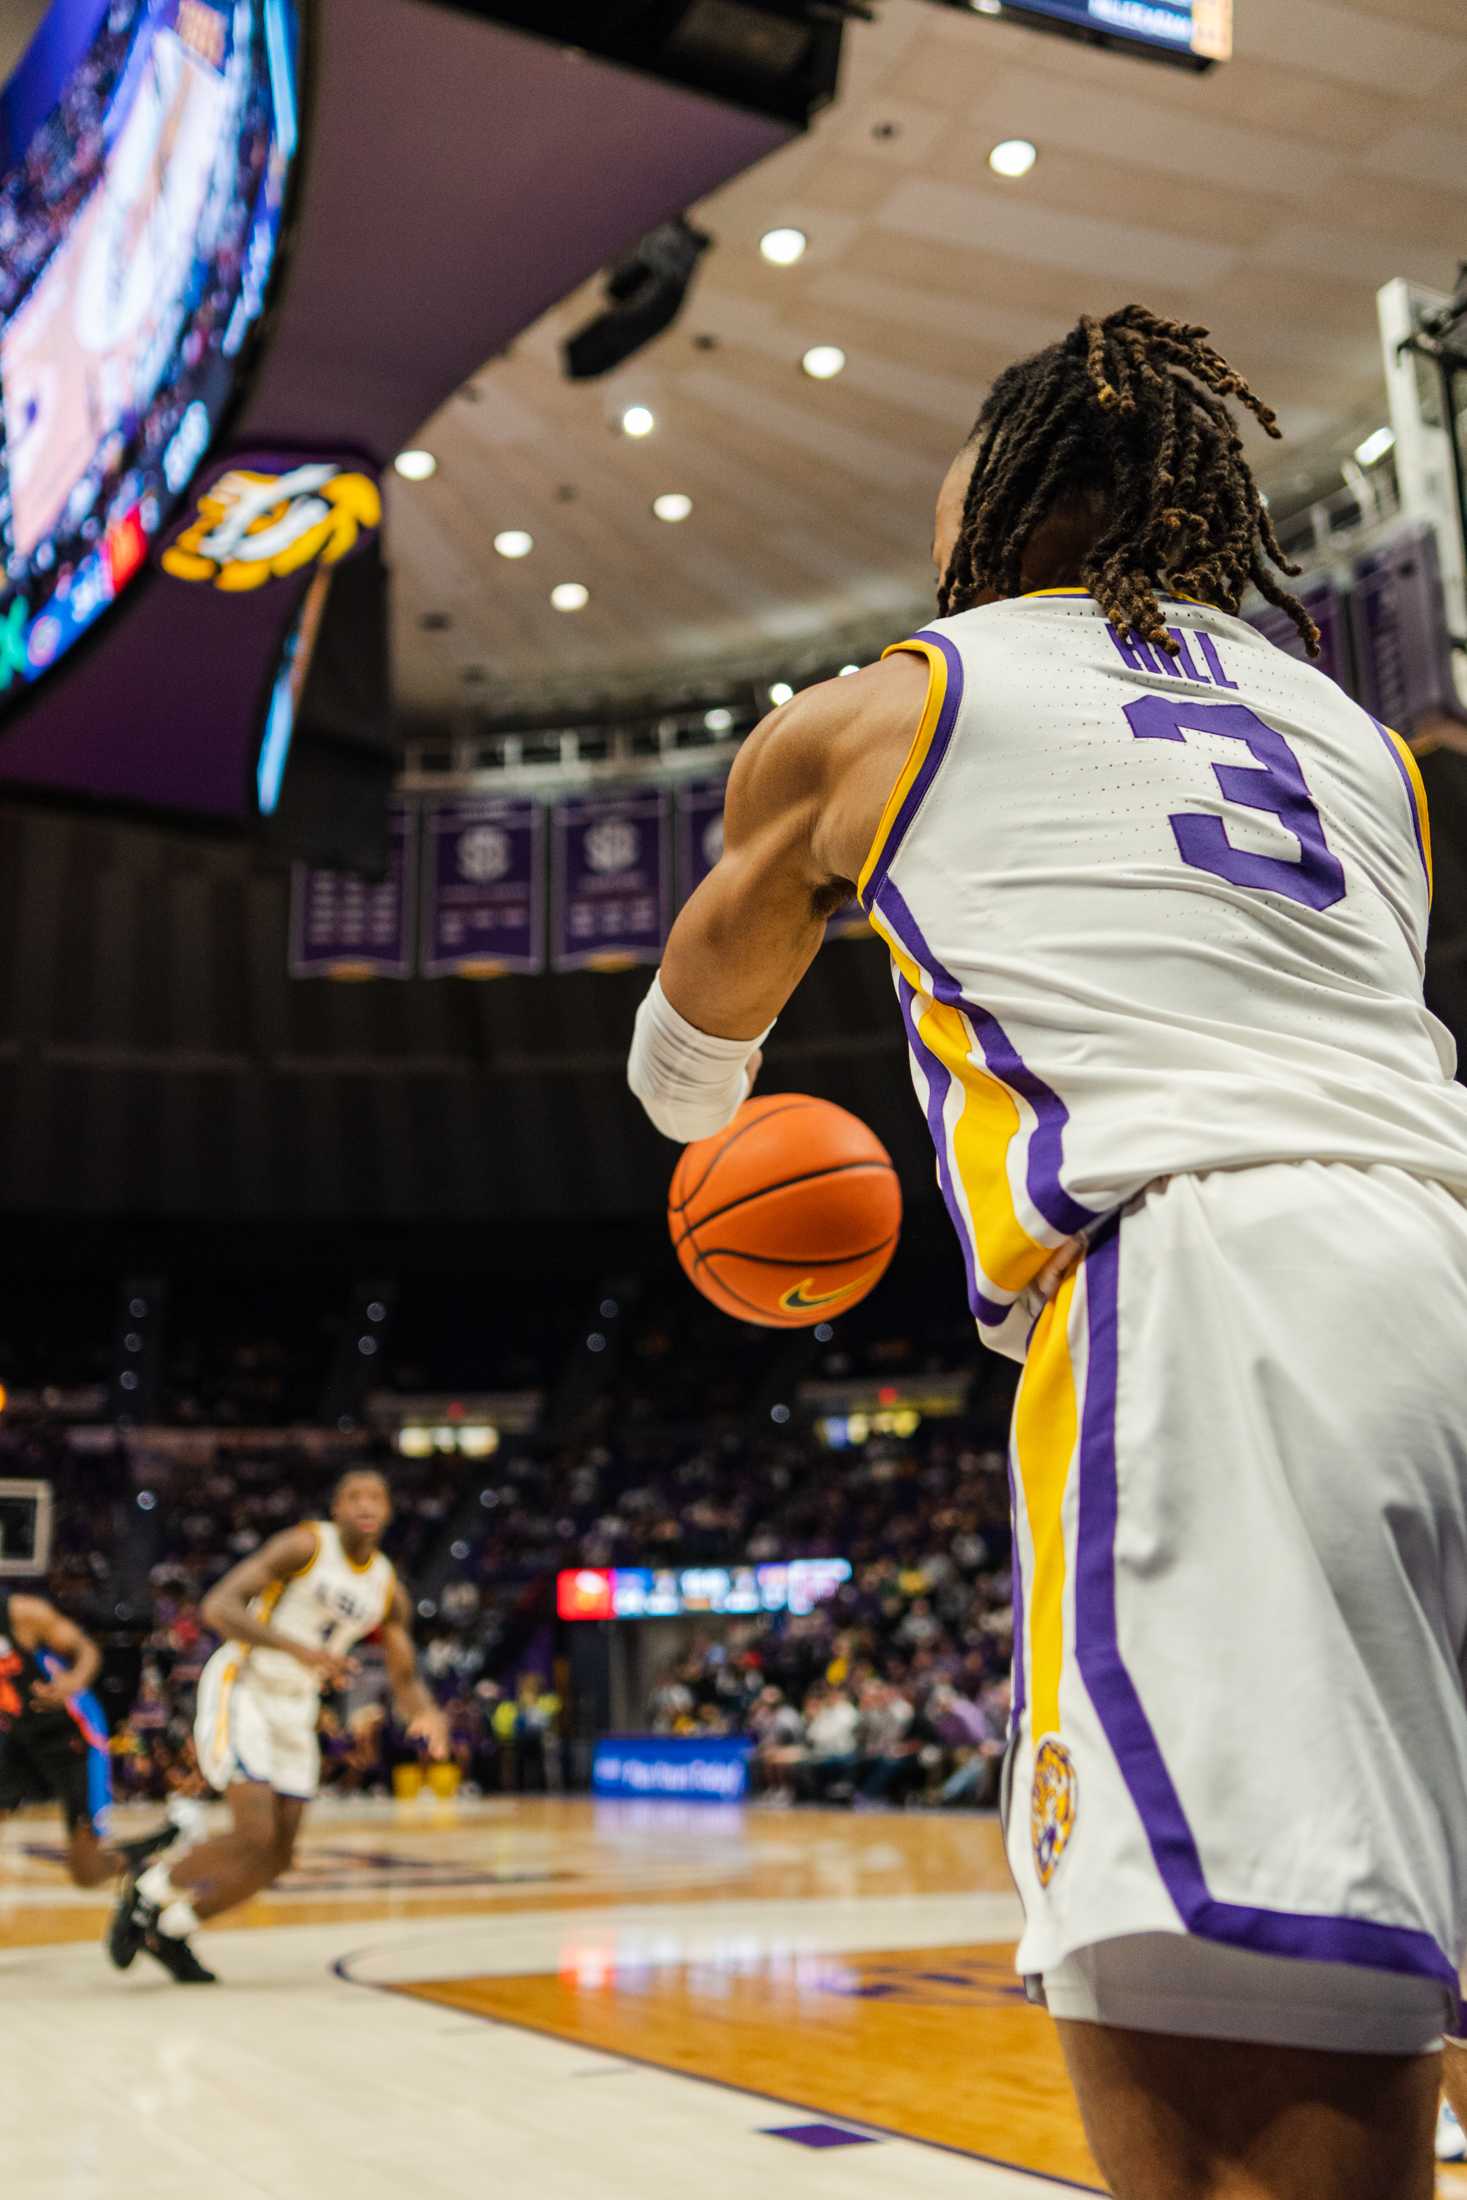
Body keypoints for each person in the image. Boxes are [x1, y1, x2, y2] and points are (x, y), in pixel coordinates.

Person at [628, 303, 1467, 2199]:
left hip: (1225, 1312)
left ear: (990, 520)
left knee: (1251, 2112)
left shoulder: (894, 700)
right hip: (1437, 1249)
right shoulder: (1355, 741)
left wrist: (717, 1130)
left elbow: (688, 1058)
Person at [107, 1468, 448, 1983]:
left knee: (277, 1856)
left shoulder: (386, 1588)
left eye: (376, 1496)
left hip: (296, 1703)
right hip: (244, 1684)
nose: (365, 1503)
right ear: (336, 1509)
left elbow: (404, 1675)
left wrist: (425, 1712)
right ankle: (145, 1890)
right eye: (354, 1494)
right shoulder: (306, 1546)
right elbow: (218, 1605)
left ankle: (172, 1929)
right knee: (254, 1830)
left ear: (389, 1512)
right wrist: (299, 1650)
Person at [0, 1589, 175, 1889]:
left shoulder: (22, 1613)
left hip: (71, 1735)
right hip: (18, 1736)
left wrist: (73, 1680)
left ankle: (159, 1843)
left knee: (87, 1873)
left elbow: (87, 1650)